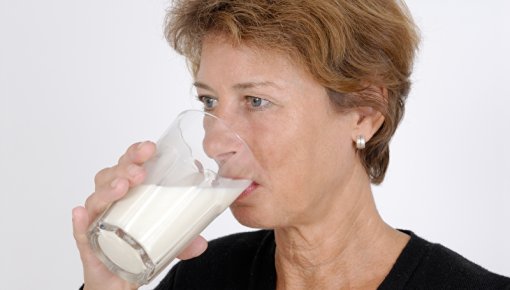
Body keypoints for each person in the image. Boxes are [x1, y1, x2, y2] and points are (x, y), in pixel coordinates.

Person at [72, 0, 510, 289]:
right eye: (208, 100)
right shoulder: (199, 280)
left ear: (365, 112)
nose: (214, 142)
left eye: (256, 100)